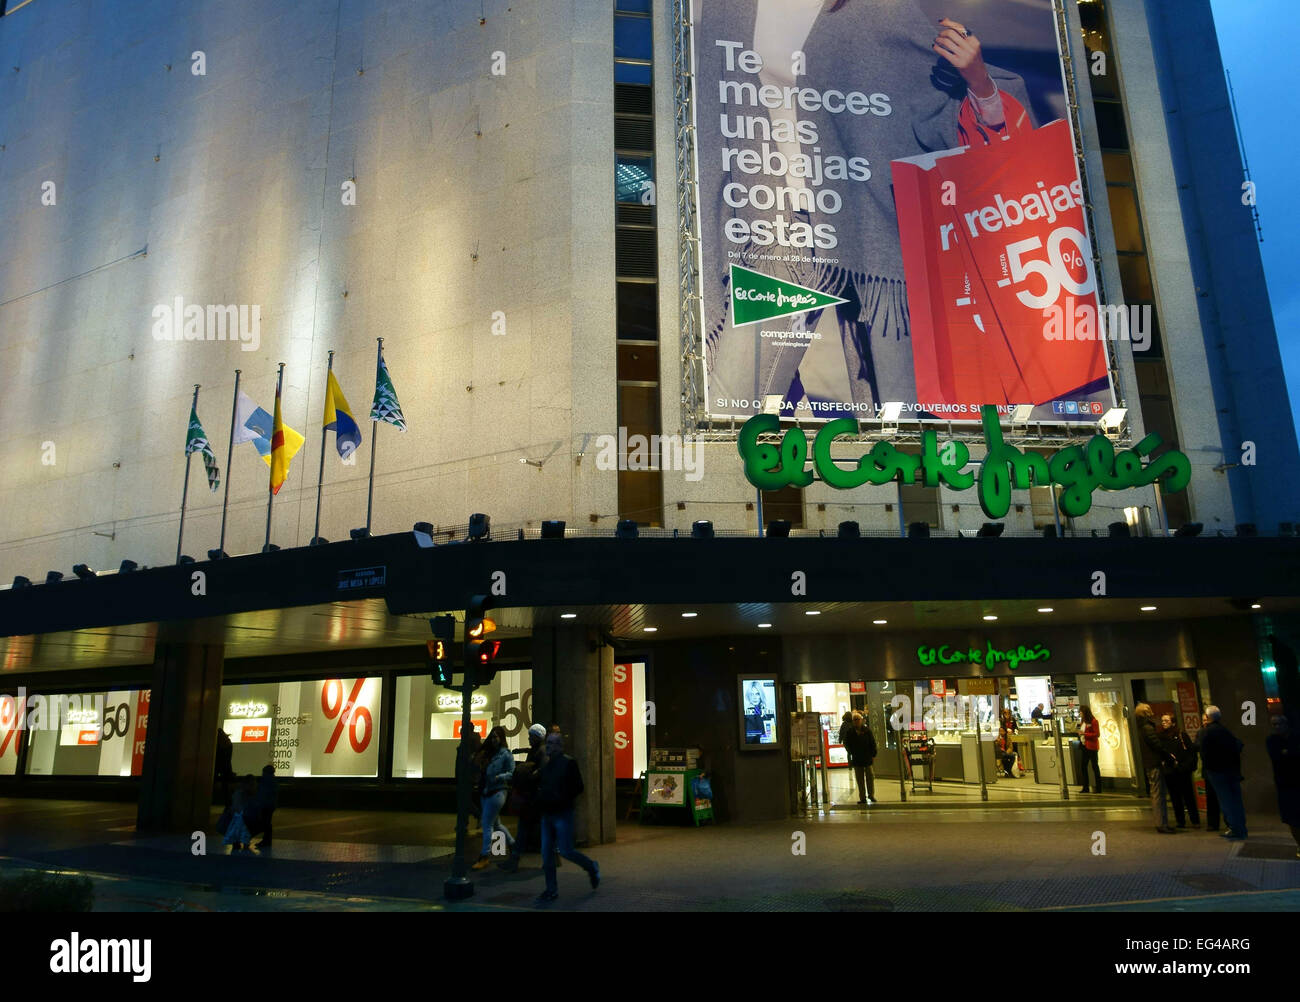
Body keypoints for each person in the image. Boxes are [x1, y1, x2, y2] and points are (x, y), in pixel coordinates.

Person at [535, 730, 600, 904]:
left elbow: (578, 786)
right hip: (548, 813)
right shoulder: (546, 764)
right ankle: (551, 889)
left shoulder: (568, 763)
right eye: (547, 742)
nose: (547, 746)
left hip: (562, 812)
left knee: (566, 850)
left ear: (559, 746)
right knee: (546, 853)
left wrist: (561, 797)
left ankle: (591, 866)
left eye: (551, 743)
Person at [500, 723, 548, 872]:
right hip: (534, 796)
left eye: (531, 736)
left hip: (534, 796)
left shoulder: (541, 751)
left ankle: (514, 859)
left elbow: (542, 770)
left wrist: (531, 776)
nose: (529, 739)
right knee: (533, 828)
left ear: (537, 737)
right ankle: (551, 857)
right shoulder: (538, 750)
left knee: (525, 828)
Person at [1199, 705, 1247, 840]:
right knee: (1236, 799)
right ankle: (1241, 828)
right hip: (1231, 770)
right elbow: (1238, 745)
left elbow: (1204, 753)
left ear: (1208, 718)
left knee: (1225, 800)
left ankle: (1234, 828)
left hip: (1216, 771)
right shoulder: (1225, 731)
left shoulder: (1206, 732)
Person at [472, 725, 516, 869]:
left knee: (487, 824)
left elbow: (511, 773)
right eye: (492, 737)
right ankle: (514, 846)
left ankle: (485, 856)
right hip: (487, 791)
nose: (493, 740)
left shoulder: (505, 754)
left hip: (498, 792)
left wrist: (499, 777)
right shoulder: (489, 754)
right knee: (496, 824)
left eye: (496, 737)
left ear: (501, 738)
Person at [1135, 703, 1178, 833]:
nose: (1151, 711)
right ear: (1146, 713)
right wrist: (1168, 757)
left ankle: (1162, 822)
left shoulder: (1142, 727)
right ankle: (1161, 823)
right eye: (1149, 709)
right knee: (1158, 794)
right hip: (1154, 763)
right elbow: (1156, 745)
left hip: (1150, 763)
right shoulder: (1147, 728)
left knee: (1157, 793)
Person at [1265, 715, 1300, 858]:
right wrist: (1290, 753)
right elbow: (1277, 756)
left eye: (1279, 724)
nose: (1276, 727)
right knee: (1292, 818)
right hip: (1285, 784)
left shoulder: (1295, 737)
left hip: (1295, 782)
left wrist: (1288, 753)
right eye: (1274, 724)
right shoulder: (1272, 740)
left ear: (1286, 724)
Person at [1159, 714, 1200, 829]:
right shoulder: (1161, 737)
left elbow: (1190, 751)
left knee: (1188, 796)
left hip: (1182, 770)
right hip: (1170, 771)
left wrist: (1184, 766)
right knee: (1175, 797)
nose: (1163, 722)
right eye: (1162, 721)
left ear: (1173, 722)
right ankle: (1180, 821)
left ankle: (1194, 820)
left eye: (1166, 720)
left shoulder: (1181, 735)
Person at [1195, 711, 1221, 832]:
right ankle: (1212, 823)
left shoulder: (1213, 732)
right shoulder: (1200, 733)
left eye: (1206, 720)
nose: (1204, 722)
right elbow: (1197, 746)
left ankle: (1224, 821)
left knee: (1219, 795)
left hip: (1215, 767)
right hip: (1208, 768)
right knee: (1211, 797)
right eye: (1203, 720)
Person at [845, 711, 878, 804]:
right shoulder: (850, 732)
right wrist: (851, 752)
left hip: (867, 758)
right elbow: (846, 743)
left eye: (858, 719)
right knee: (860, 779)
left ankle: (871, 795)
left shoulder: (867, 730)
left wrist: (873, 754)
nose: (856, 721)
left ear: (861, 720)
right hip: (857, 759)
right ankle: (862, 797)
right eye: (854, 720)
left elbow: (873, 743)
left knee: (870, 778)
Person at [245, 764, 279, 849]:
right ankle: (266, 841)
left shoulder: (265, 781)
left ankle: (263, 840)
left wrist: (258, 803)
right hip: (270, 805)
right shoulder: (273, 781)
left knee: (264, 823)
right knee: (266, 823)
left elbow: (262, 794)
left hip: (265, 805)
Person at [224, 775, 256, 853]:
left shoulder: (238, 790)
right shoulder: (246, 792)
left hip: (237, 813)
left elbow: (234, 803)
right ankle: (245, 844)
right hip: (243, 813)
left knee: (236, 829)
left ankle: (236, 843)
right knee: (244, 830)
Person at [1078, 705, 1102, 793]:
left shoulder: (1094, 721)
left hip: (1092, 747)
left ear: (1085, 712)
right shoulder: (1083, 721)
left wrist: (1085, 734)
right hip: (1084, 746)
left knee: (1095, 766)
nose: (1080, 713)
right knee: (1083, 766)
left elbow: (1097, 734)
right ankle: (1085, 787)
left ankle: (1099, 788)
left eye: (1081, 712)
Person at [214, 727, 235, 807]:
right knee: (225, 788)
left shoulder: (217, 744)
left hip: (217, 767)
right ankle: (228, 805)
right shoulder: (228, 743)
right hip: (226, 767)